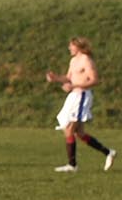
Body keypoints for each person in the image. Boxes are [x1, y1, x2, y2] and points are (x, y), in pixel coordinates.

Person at [47, 36, 116, 173]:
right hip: (73, 96)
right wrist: (56, 78)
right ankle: (108, 152)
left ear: (78, 46)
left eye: (71, 46)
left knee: (69, 130)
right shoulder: (73, 60)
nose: (69, 48)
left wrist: (74, 86)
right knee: (79, 133)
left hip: (82, 96)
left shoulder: (86, 60)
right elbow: (69, 78)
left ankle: (72, 165)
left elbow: (94, 80)